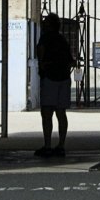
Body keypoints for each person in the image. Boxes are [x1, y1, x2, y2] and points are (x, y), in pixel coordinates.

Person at [33, 16, 73, 158]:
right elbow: (70, 60)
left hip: (50, 78)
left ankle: (48, 145)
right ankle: (61, 145)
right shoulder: (62, 40)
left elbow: (40, 54)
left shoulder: (45, 38)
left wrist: (43, 67)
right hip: (64, 78)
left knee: (47, 112)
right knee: (61, 113)